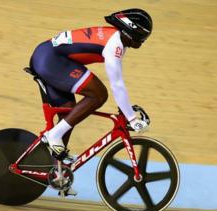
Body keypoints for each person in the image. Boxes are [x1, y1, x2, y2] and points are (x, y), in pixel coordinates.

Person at [29, 8, 152, 162]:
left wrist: (126, 109)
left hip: (48, 56)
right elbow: (117, 84)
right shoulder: (115, 45)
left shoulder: (115, 37)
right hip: (51, 60)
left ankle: (56, 172)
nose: (142, 43)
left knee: (70, 115)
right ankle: (53, 135)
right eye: (142, 38)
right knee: (99, 94)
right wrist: (132, 119)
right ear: (131, 32)